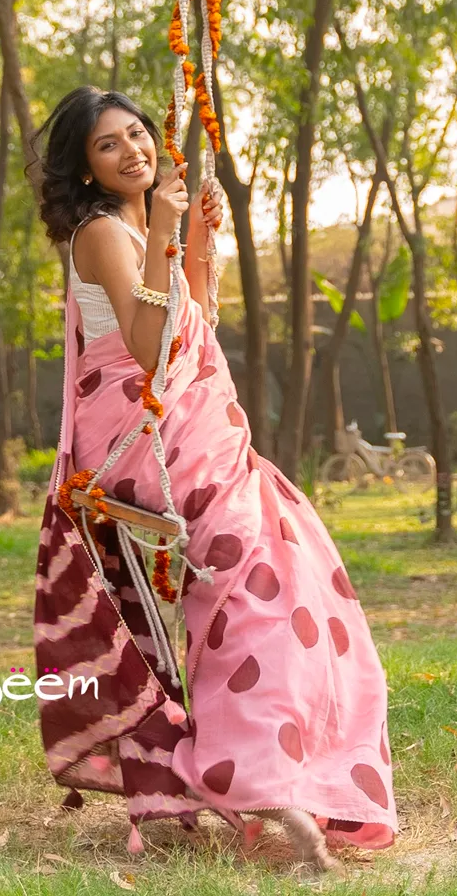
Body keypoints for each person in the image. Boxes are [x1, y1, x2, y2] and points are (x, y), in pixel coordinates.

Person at [31, 86, 397, 869]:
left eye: (137, 134)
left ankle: (284, 772)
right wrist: (166, 230)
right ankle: (256, 781)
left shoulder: (138, 226)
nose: (132, 150)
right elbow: (148, 348)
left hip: (194, 430)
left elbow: (193, 318)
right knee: (248, 581)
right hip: (139, 435)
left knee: (292, 567)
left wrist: (196, 240)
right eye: (107, 145)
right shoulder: (102, 232)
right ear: (86, 169)